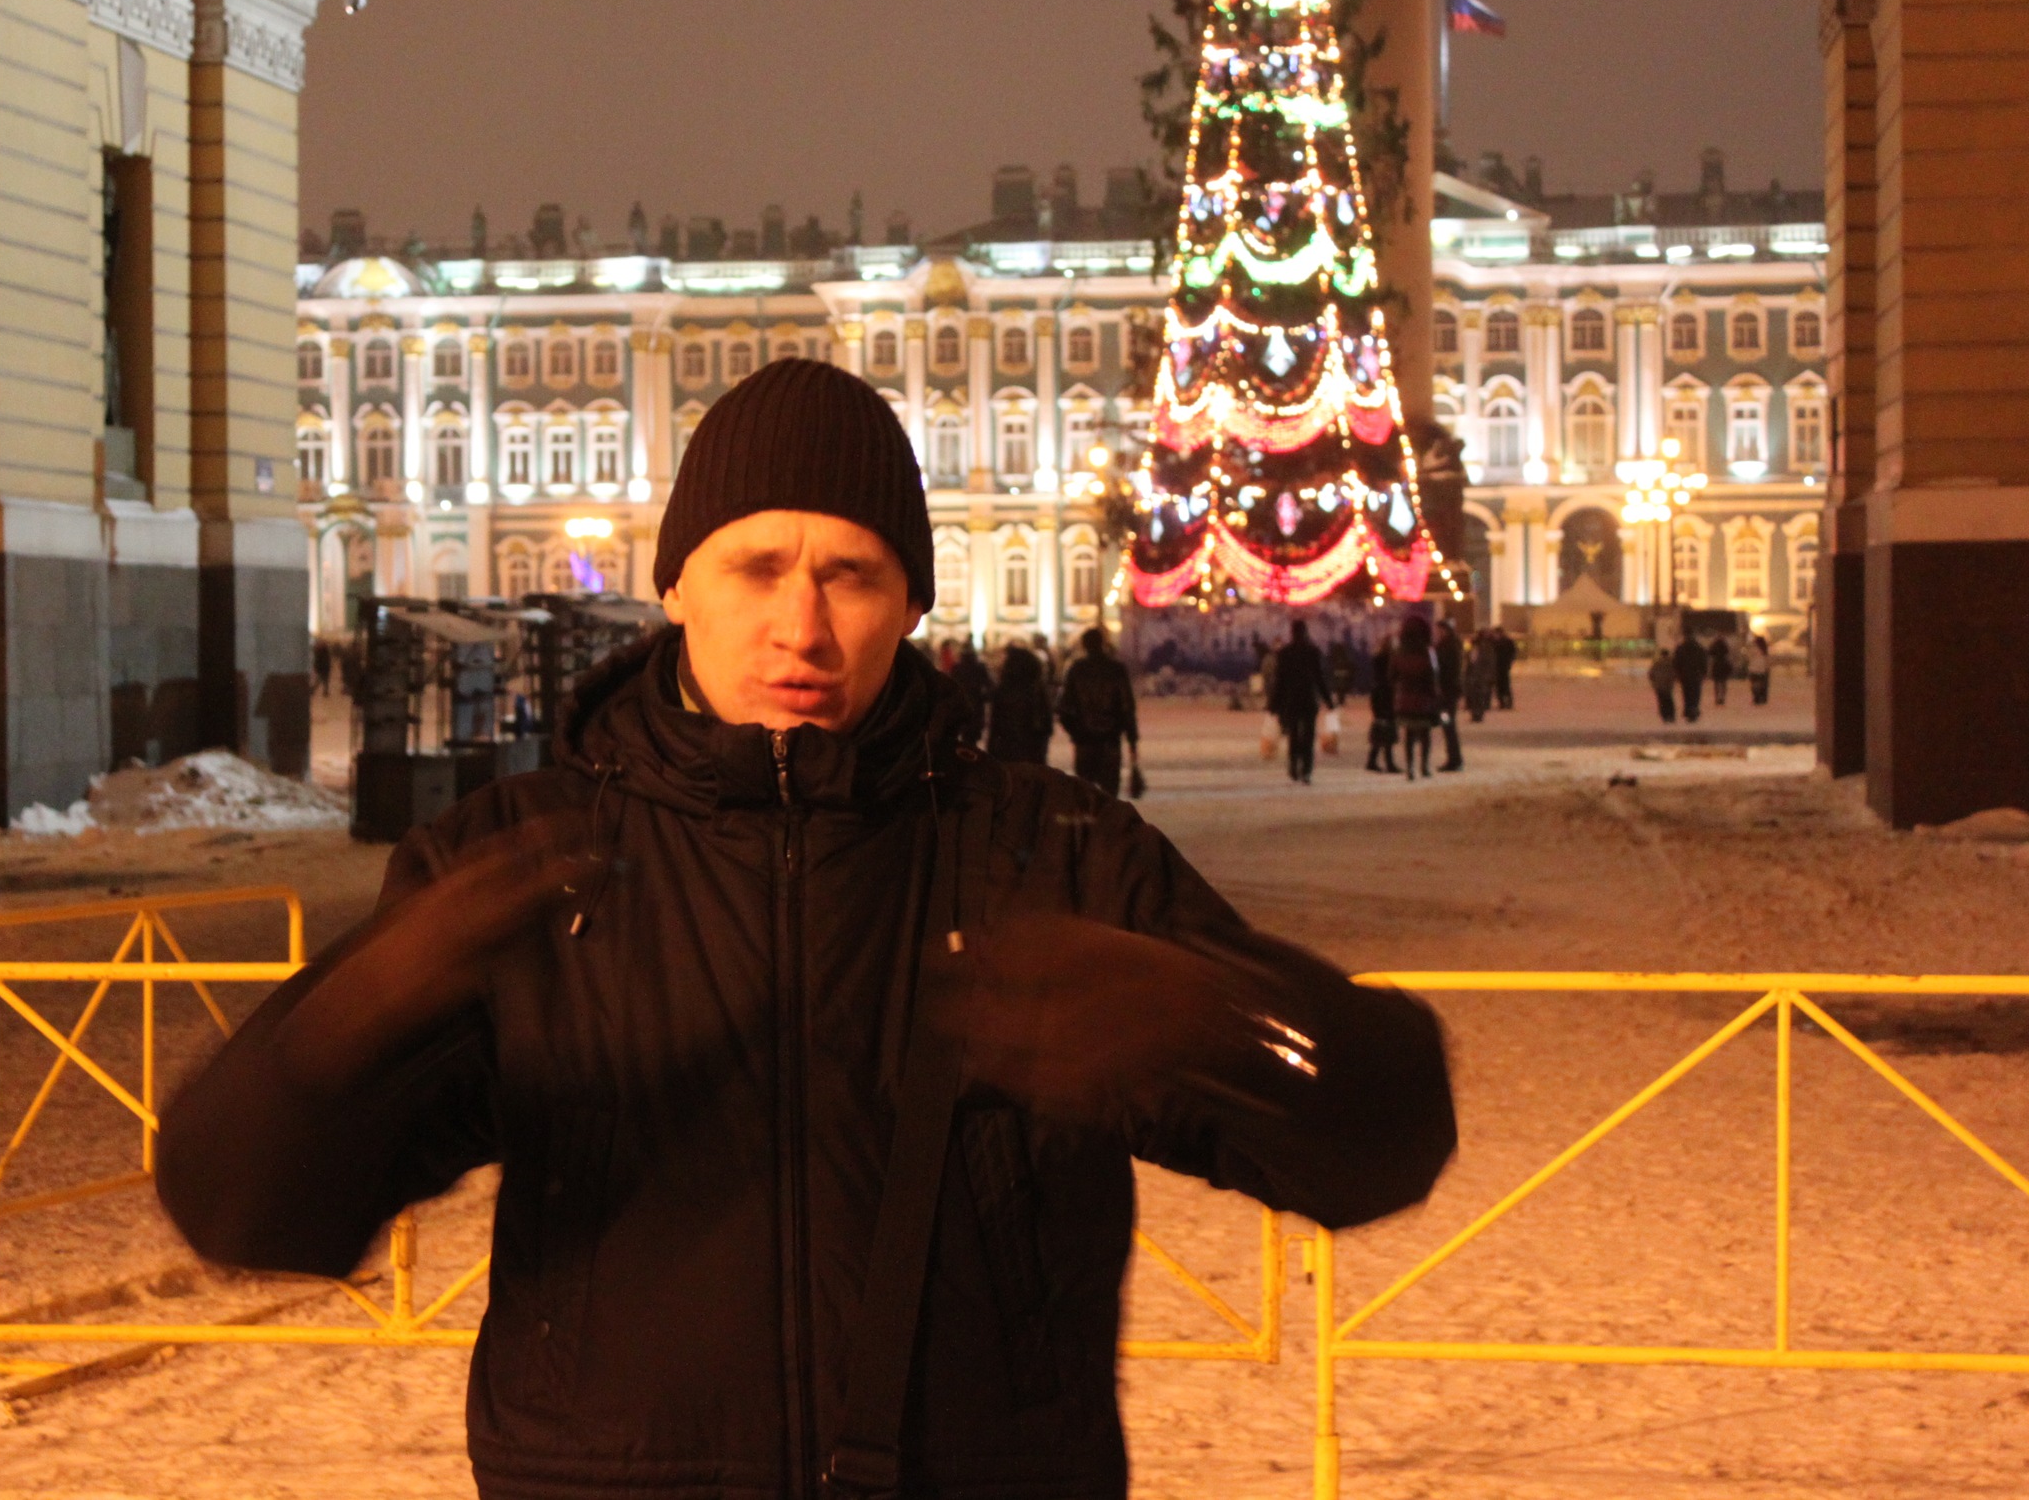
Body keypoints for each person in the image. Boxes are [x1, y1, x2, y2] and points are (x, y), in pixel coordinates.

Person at [154, 359, 1454, 1500]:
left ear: (912, 602)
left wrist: (1225, 1025)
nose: (803, 627)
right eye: (757, 568)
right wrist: (354, 1022)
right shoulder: (520, 867)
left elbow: (1383, 1144)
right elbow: (239, 1205)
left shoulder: (1056, 858)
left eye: (851, 575)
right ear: (677, 584)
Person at [1057, 627, 1140, 798]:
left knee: (1085, 795)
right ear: (1102, 643)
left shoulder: (1076, 669)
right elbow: (1127, 708)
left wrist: (1076, 732)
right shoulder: (1116, 669)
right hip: (1110, 740)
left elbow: (1064, 708)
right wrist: (1132, 740)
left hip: (1085, 741)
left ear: (1084, 645)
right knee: (1109, 795)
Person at [1264, 618, 1333, 784]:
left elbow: (1280, 681)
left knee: (1293, 734)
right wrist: (1328, 700)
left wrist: (1274, 704)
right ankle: (1306, 770)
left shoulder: (1285, 653)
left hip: (1291, 700)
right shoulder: (1313, 652)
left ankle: (1294, 766)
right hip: (1308, 699)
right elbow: (1320, 678)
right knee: (1308, 735)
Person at [1389, 616, 1442, 780]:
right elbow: (1433, 675)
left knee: (1409, 734)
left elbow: (1392, 676)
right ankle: (1424, 766)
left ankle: (1410, 768)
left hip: (1405, 698)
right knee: (1425, 734)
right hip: (1424, 698)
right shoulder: (1428, 652)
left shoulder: (1399, 652)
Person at [984, 643, 1054, 766]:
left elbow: (995, 726)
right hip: (1033, 752)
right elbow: (1046, 724)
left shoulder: (1003, 691)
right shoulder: (1037, 690)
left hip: (1007, 752)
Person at [1432, 617, 1466, 771]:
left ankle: (1454, 759)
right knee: (1448, 724)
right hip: (1449, 692)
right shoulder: (1451, 645)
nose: (1437, 632)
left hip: (1447, 693)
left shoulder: (1448, 647)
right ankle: (1454, 758)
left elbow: (1445, 669)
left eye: (1439, 630)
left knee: (1448, 724)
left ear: (1444, 630)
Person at [948, 639, 994, 749]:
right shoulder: (980, 667)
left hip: (962, 703)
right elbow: (988, 685)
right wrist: (985, 697)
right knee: (974, 733)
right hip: (977, 703)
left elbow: (951, 685)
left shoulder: (957, 668)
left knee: (965, 732)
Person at [1364, 633, 1398, 772]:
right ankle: (1389, 763)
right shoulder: (1391, 659)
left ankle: (1372, 760)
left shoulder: (1378, 658)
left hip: (1378, 694)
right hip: (1387, 695)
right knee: (1389, 727)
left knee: (1380, 726)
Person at [1673, 631, 1708, 724]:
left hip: (1685, 675)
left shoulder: (1680, 648)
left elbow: (1676, 662)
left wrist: (1677, 673)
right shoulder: (1699, 648)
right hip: (1696, 675)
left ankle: (1688, 710)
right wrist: (1704, 672)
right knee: (1696, 694)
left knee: (1686, 694)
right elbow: (1703, 662)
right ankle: (1694, 710)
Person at [1462, 631, 1497, 723]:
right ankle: (1475, 714)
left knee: (1479, 696)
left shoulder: (1485, 649)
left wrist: (1487, 675)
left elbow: (1489, 663)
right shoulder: (1473, 649)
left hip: (1481, 676)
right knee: (1474, 695)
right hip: (1473, 676)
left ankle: (1478, 714)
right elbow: (1469, 663)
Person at [1648, 647, 1679, 724]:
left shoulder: (1657, 663)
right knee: (1669, 700)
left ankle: (1664, 716)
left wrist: (1654, 682)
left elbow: (1651, 674)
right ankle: (1671, 716)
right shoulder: (1671, 663)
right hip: (1668, 685)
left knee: (1661, 701)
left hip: (1659, 685)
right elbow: (1674, 674)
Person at [1491, 625, 1517, 711]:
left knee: (1505, 685)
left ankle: (1507, 703)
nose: (1496, 635)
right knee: (1500, 686)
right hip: (1498, 667)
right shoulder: (1495, 642)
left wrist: (1509, 661)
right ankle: (1502, 703)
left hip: (1503, 666)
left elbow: (1513, 652)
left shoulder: (1506, 642)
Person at [1746, 632, 1773, 706]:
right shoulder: (1764, 650)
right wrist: (1767, 667)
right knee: (1761, 684)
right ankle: (1760, 697)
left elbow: (1748, 656)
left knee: (1754, 684)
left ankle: (1756, 697)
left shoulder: (1753, 649)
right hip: (1762, 669)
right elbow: (1768, 660)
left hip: (1753, 668)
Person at [1708, 634, 1733, 707]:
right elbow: (1727, 653)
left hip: (1716, 665)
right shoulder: (1725, 645)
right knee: (1723, 682)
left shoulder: (1714, 645)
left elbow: (1710, 653)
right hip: (1723, 665)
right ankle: (1722, 697)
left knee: (1716, 683)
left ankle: (1717, 697)